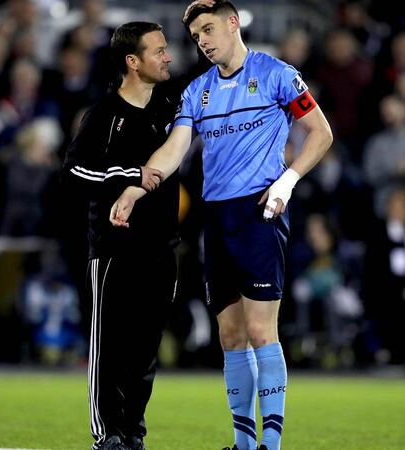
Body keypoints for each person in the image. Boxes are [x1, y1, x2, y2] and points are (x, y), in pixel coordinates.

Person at [110, 2, 333, 449]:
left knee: (259, 330)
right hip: (217, 217)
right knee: (230, 335)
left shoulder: (276, 74)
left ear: (233, 23)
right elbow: (174, 149)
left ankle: (270, 445)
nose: (204, 41)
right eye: (196, 37)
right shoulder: (198, 92)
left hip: (259, 212)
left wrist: (287, 182)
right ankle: (244, 444)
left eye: (209, 30)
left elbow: (321, 132)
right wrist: (137, 185)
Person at [60, 17, 209, 450]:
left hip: (162, 248)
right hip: (113, 249)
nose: (168, 56)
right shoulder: (104, 114)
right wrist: (129, 175)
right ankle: (106, 435)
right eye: (158, 51)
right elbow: (72, 173)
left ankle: (133, 433)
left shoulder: (170, 106)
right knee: (109, 349)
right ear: (132, 61)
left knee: (145, 353)